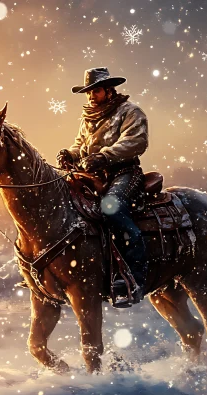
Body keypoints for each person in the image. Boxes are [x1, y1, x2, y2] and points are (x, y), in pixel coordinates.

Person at [57, 67, 149, 308]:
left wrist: (105, 156)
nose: (90, 96)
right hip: (91, 175)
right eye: (87, 92)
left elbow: (135, 141)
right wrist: (70, 153)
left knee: (111, 209)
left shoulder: (130, 112)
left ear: (109, 90)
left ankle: (135, 277)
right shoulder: (88, 117)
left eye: (94, 91)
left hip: (123, 172)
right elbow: (81, 146)